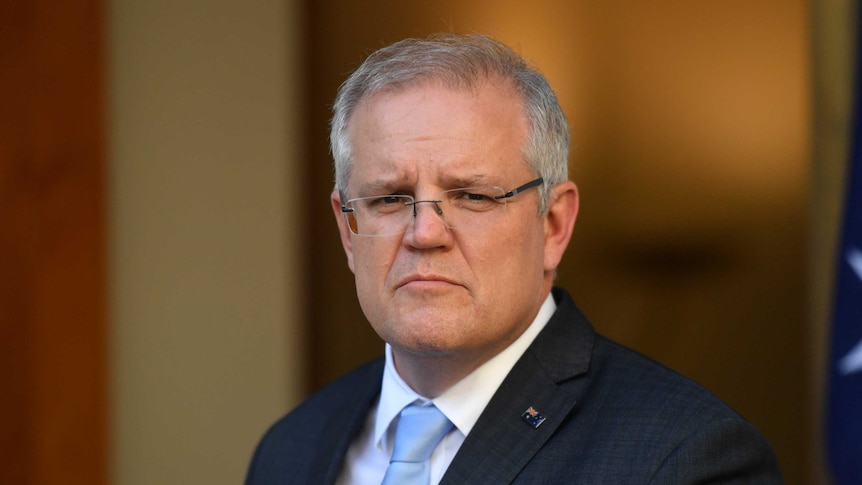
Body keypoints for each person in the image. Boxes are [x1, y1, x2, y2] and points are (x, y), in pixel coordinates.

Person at [246, 33, 782, 484]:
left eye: (474, 196)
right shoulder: (291, 450)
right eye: (390, 198)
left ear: (553, 225)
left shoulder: (685, 458)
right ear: (347, 228)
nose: (425, 232)